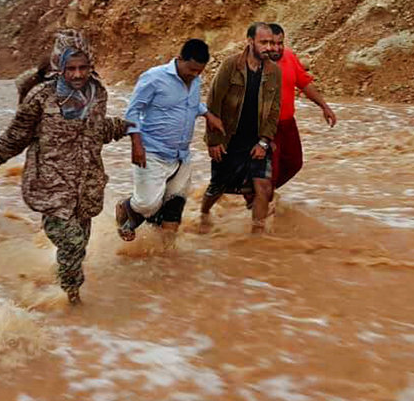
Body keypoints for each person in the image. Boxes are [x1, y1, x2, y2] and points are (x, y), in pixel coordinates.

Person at [0, 30, 130, 304]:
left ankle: (60, 276)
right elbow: (16, 136)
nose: (77, 74)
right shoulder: (41, 97)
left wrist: (123, 127)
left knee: (79, 244)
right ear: (59, 66)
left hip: (86, 185)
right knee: (71, 241)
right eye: (70, 68)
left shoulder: (98, 93)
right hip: (51, 185)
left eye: (83, 67)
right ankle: (72, 298)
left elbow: (96, 131)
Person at [115, 39, 224, 241]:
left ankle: (165, 259)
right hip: (152, 152)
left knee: (174, 206)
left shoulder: (195, 80)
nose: (194, 75)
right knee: (148, 204)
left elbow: (189, 103)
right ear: (179, 59)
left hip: (181, 156)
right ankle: (126, 207)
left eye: (199, 72)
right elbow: (132, 113)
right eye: (191, 69)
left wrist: (207, 114)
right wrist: (136, 144)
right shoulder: (153, 78)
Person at [200, 22, 281, 233]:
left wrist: (264, 141)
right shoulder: (231, 65)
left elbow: (274, 111)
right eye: (264, 42)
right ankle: (204, 214)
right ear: (250, 41)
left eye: (272, 42)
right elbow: (213, 102)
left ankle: (257, 236)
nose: (269, 47)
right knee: (217, 187)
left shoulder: (274, 72)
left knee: (263, 186)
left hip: (256, 140)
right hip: (229, 138)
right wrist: (214, 141)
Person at [267, 23, 337, 189]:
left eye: (280, 43)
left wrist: (324, 106)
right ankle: (259, 199)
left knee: (294, 164)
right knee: (270, 170)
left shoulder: (290, 57)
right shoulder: (255, 63)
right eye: (272, 44)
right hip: (265, 126)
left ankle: (261, 193)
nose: (277, 48)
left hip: (287, 124)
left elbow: (305, 84)